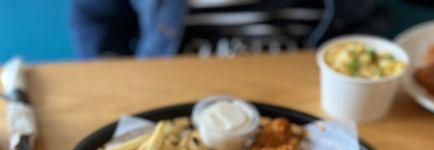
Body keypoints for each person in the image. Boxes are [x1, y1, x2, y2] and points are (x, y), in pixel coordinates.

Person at [70, 0, 389, 58]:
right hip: (172, 82)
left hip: (306, 93)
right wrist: (110, 64)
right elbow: (96, 15)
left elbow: (368, 25)